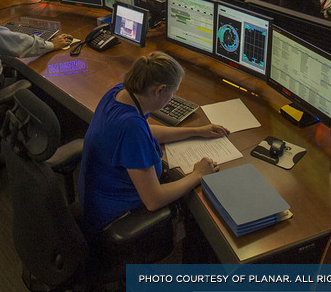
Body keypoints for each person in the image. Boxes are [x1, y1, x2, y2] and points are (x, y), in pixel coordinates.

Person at [78, 52, 229, 236]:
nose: (171, 98)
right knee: (198, 207)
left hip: (95, 200)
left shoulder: (119, 94)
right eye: (172, 93)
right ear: (159, 90)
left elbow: (147, 131)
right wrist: (198, 174)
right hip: (114, 218)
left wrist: (196, 131)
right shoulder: (131, 126)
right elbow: (154, 200)